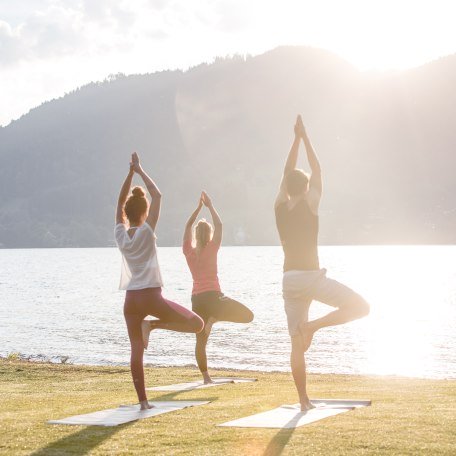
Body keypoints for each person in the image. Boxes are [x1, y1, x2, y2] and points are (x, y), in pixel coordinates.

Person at [274, 115, 370, 411]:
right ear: (305, 188)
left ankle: (304, 401)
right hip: (311, 277)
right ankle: (313, 327)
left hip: (289, 280)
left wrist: (295, 140)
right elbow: (317, 169)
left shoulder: (279, 205)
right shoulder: (310, 201)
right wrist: (306, 138)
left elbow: (287, 171)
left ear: (287, 187)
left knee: (294, 343)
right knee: (361, 307)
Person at [115, 152, 204, 410]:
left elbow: (120, 201)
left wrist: (129, 174)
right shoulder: (147, 230)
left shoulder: (120, 233)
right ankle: (153, 326)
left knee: (135, 350)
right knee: (197, 324)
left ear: (126, 213)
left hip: (131, 299)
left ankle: (143, 402)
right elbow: (158, 196)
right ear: (144, 212)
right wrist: (140, 170)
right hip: (152, 297)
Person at [183, 191, 254, 384]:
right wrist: (210, 206)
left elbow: (188, 226)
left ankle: (206, 378)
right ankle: (215, 318)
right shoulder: (212, 248)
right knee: (248, 316)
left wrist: (197, 209)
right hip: (214, 297)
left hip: (197, 299)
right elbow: (220, 225)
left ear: (196, 235)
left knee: (200, 341)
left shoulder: (188, 252)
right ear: (209, 235)